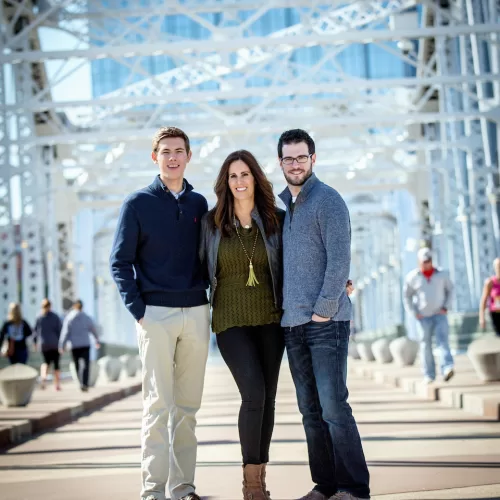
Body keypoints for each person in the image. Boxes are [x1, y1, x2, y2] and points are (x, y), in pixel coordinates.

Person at [109, 126, 210, 500]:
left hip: (197, 312)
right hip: (155, 315)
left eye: (179, 151)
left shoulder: (200, 204)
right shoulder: (137, 203)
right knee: (157, 407)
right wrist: (139, 311)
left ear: (188, 156)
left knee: (188, 408)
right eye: (165, 151)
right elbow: (119, 262)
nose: (172, 157)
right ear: (155, 157)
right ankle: (152, 493)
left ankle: (183, 489)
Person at [277, 129, 370, 500]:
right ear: (280, 162)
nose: (295, 164)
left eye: (301, 157)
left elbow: (339, 259)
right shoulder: (286, 208)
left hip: (325, 323)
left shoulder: (328, 200)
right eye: (288, 158)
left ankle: (353, 487)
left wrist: (324, 310)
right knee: (310, 412)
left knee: (333, 407)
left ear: (313, 159)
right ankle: (326, 485)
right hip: (292, 324)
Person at [200, 150, 285, 500]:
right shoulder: (211, 223)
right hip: (230, 321)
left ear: (255, 178)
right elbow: (194, 268)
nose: (239, 181)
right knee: (253, 394)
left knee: (269, 399)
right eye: (232, 176)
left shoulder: (277, 219)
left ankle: (260, 475)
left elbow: (299, 259)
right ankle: (251, 485)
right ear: (226, 182)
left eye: (244, 174)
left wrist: (338, 281)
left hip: (271, 319)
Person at [404, 247, 454, 384]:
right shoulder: (412, 277)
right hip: (423, 317)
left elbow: (450, 290)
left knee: (443, 341)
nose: (427, 263)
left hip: (440, 314)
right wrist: (414, 313)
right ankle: (429, 374)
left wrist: (446, 307)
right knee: (425, 345)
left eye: (429, 260)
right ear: (419, 262)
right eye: (424, 261)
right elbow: (407, 297)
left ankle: (447, 368)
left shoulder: (442, 274)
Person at [59, 299, 100, 392]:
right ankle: (85, 383)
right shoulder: (86, 317)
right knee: (86, 365)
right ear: (82, 306)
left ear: (74, 306)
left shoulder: (69, 317)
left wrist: (61, 345)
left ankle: (80, 382)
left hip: (74, 345)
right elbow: (93, 330)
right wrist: (96, 340)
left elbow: (65, 332)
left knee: (76, 364)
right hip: (85, 344)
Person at [34, 298, 63, 390]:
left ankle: (43, 379)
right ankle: (57, 384)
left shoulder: (39, 317)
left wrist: (35, 343)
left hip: (44, 344)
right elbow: (60, 331)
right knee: (56, 364)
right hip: (55, 344)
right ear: (50, 306)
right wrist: (62, 344)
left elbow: (35, 332)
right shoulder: (55, 317)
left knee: (45, 362)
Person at [479, 257, 500, 336]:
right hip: (496, 313)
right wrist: (482, 317)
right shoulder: (490, 282)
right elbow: (484, 300)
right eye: (498, 267)